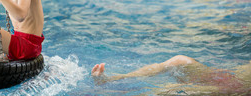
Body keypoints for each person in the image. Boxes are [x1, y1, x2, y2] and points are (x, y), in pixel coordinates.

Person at [92, 55, 251, 94]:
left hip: (240, 89)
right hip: (232, 76)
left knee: (173, 91)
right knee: (179, 60)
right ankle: (113, 79)